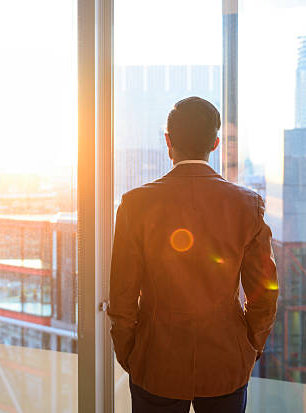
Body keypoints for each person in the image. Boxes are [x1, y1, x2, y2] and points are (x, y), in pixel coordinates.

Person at [108, 97, 278, 413]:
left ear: (168, 141)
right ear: (214, 144)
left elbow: (122, 298)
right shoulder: (247, 205)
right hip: (226, 361)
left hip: (155, 360)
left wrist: (129, 352)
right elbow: (264, 294)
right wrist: (251, 345)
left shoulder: (135, 205)